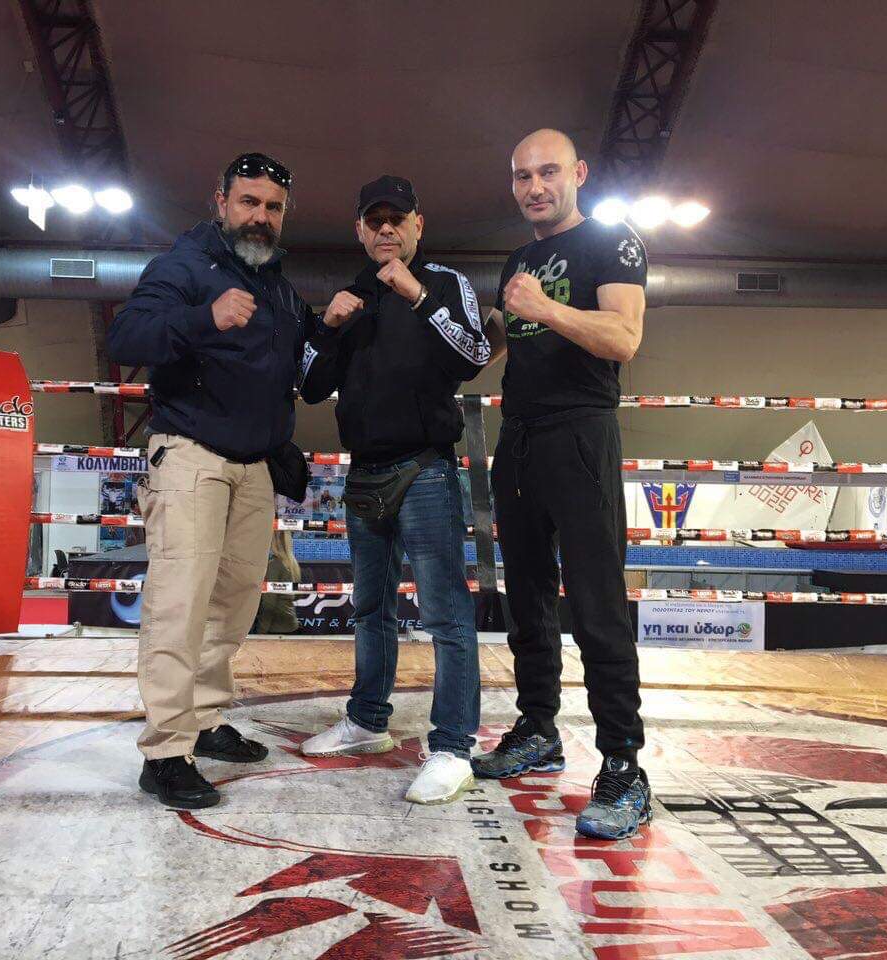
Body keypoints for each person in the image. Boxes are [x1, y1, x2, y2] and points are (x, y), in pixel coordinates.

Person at [108, 152, 319, 809]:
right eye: (249, 202)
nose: (261, 217)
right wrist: (204, 317)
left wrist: (337, 325)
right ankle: (165, 752)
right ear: (220, 201)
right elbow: (126, 337)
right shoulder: (184, 265)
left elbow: (307, 368)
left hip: (253, 466)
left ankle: (202, 719)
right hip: (191, 457)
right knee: (180, 605)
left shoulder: (280, 288)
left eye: (273, 207)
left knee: (231, 605)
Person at [469, 129, 651, 840]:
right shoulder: (518, 259)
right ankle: (538, 728)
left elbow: (624, 338)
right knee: (527, 596)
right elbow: (497, 343)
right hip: (519, 436)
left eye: (548, 172)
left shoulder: (612, 240)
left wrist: (546, 308)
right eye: (522, 176)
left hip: (581, 433)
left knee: (598, 603)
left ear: (579, 173)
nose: (535, 187)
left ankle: (624, 766)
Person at [299, 175, 490, 804]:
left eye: (397, 219)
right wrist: (327, 327)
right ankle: (366, 721)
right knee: (370, 608)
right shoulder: (351, 294)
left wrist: (418, 298)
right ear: (359, 230)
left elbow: (474, 357)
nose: (386, 229)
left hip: (426, 467)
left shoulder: (444, 283)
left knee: (444, 613)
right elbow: (310, 386)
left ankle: (453, 748)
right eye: (374, 220)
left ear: (417, 225)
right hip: (364, 470)